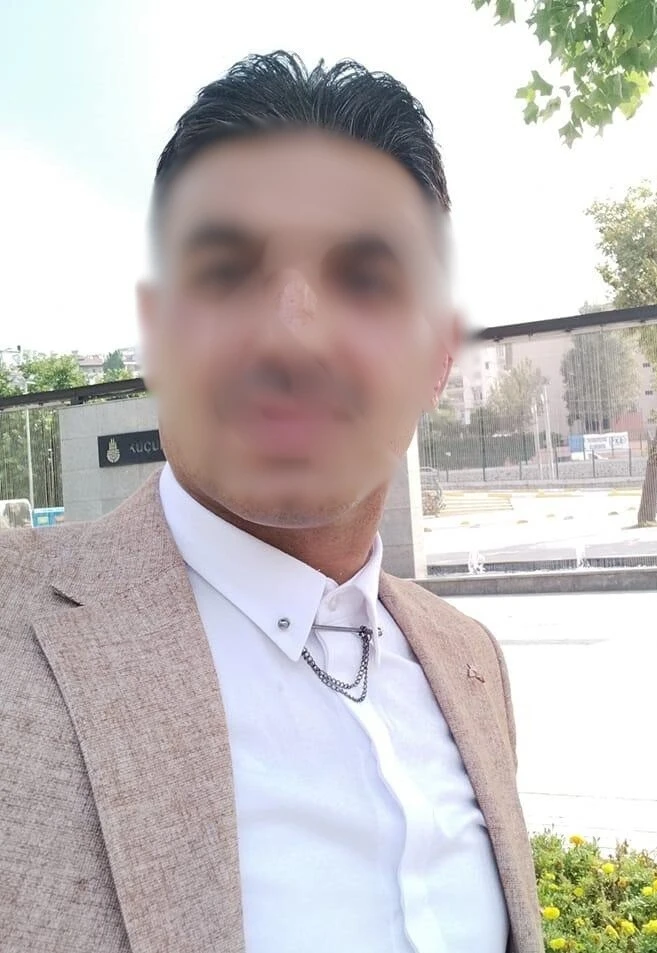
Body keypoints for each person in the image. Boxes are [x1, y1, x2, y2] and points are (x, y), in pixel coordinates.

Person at [0, 52, 540, 953]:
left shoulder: (470, 661)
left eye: (365, 279)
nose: (293, 336)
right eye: (226, 272)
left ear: (439, 357)